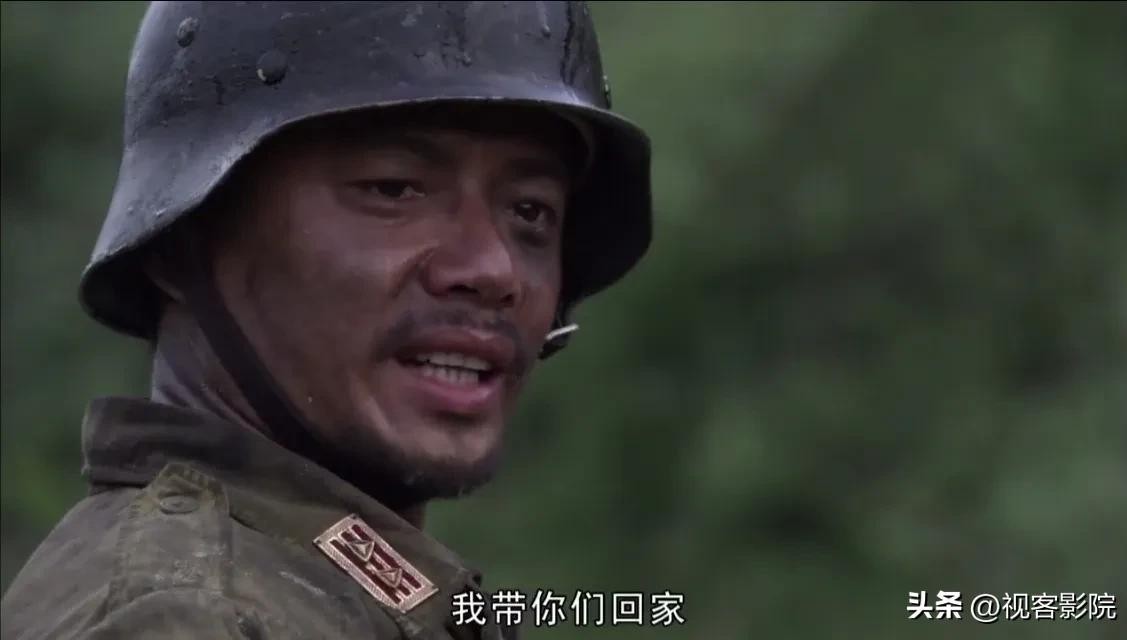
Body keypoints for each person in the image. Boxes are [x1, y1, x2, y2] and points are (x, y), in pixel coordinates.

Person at [0, 2, 652, 639]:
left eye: (531, 212)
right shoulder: (186, 616)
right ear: (182, 243)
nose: (492, 268)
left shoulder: (335, 588)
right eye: (394, 189)